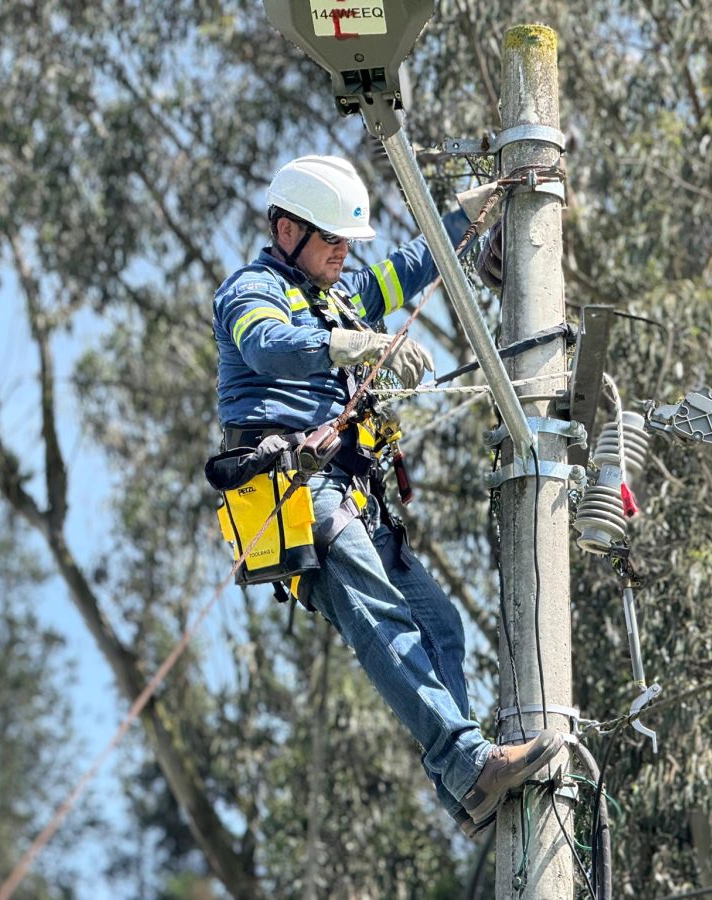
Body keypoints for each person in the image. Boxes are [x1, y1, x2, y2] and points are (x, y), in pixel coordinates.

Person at [211, 155, 564, 836]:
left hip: (354, 493)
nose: (343, 256)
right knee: (387, 625)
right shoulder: (252, 289)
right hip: (294, 493)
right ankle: (468, 763)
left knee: (442, 628)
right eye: (332, 242)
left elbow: (404, 269)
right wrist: (347, 344)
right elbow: (266, 348)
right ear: (286, 231)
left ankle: (465, 787)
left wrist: (467, 216)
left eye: (347, 244)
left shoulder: (334, 292)